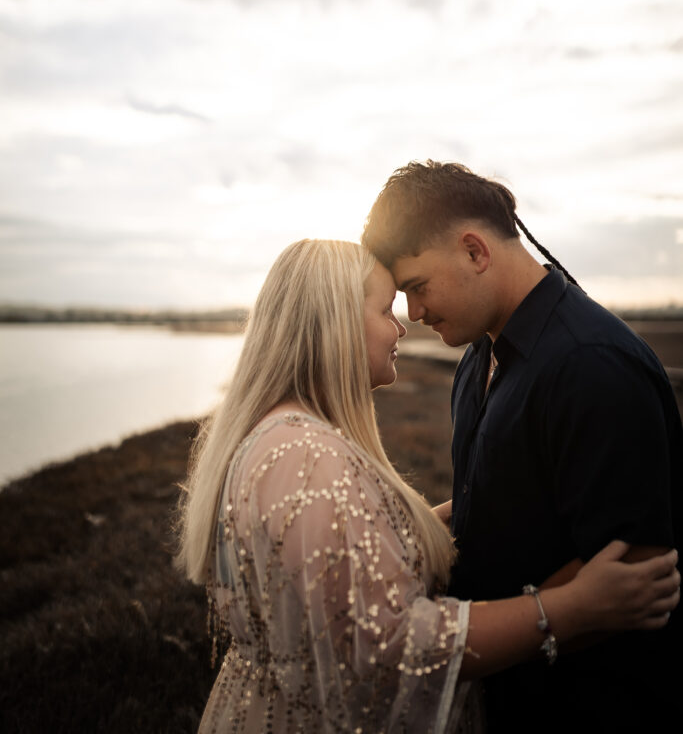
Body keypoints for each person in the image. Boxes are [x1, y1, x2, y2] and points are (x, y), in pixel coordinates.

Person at [176, 239, 679, 733]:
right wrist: (570, 608)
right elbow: (389, 643)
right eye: (385, 309)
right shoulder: (305, 457)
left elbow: (353, 560)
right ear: (335, 322)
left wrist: (478, 508)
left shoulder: (293, 438)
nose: (403, 324)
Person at [362, 161, 683, 732]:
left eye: (416, 287)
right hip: (507, 700)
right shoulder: (477, 356)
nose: (413, 313)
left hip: (589, 707)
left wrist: (475, 630)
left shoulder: (592, 366)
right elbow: (498, 505)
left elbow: (635, 572)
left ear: (474, 251)